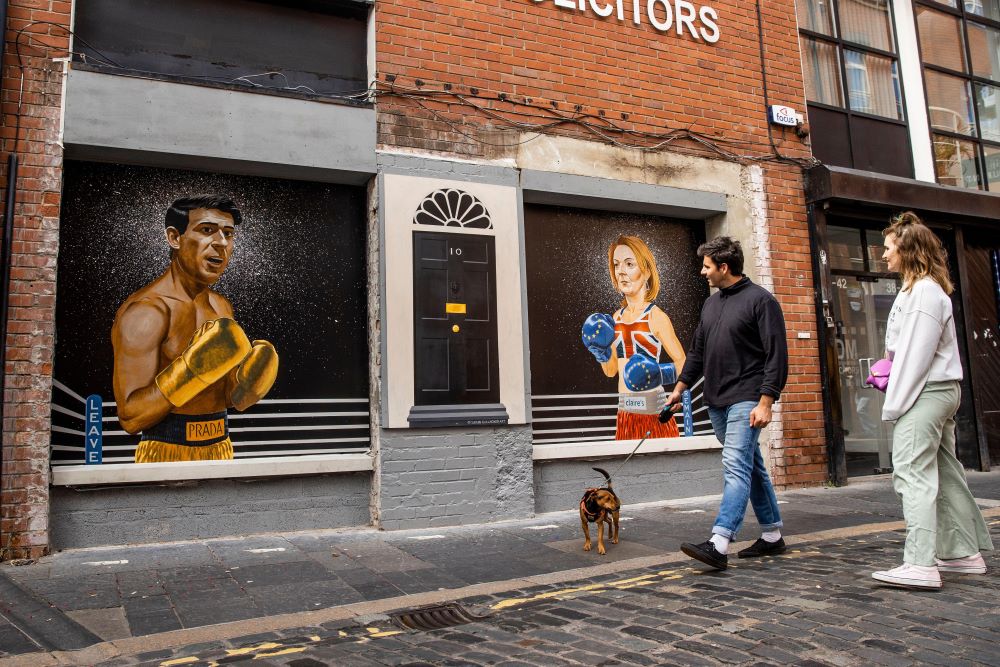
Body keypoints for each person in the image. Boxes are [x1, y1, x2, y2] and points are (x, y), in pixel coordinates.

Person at [871, 212, 993, 589]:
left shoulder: (924, 292)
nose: (884, 255)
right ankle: (962, 554)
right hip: (936, 391)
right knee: (945, 472)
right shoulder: (921, 289)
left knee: (911, 472)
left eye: (889, 248)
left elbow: (915, 356)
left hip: (925, 392)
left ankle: (920, 563)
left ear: (909, 252)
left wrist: (895, 405)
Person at [111, 195, 279, 463]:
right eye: (207, 230)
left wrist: (247, 387)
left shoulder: (222, 307)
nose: (221, 243)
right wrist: (189, 371)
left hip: (221, 447)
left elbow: (222, 397)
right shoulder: (147, 312)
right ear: (174, 238)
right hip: (165, 452)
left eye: (228, 233)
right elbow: (131, 417)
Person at [663, 236, 788, 570]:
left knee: (735, 465)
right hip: (717, 400)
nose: (703, 273)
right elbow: (697, 352)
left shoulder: (761, 302)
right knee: (751, 465)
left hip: (747, 398)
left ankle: (719, 541)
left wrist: (766, 401)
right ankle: (772, 535)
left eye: (706, 267)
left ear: (724, 266)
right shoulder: (711, 304)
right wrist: (680, 388)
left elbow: (777, 355)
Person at [582, 235, 686, 440]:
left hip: (654, 413)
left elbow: (683, 362)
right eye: (616, 265)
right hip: (625, 414)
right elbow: (611, 371)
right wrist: (600, 353)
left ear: (646, 271)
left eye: (629, 264)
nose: (621, 272)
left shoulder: (657, 317)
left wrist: (659, 374)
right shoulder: (615, 318)